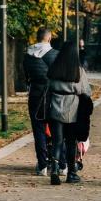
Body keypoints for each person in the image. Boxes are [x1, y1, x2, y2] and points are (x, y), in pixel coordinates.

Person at [46, 40, 91, 184]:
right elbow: (86, 91)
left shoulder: (53, 69)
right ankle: (71, 173)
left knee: (57, 141)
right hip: (72, 111)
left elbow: (48, 86)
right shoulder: (78, 71)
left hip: (55, 110)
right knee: (71, 142)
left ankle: (54, 168)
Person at [23, 28, 58, 176]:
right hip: (52, 95)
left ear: (37, 38)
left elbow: (26, 76)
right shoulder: (55, 55)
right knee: (57, 130)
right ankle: (59, 163)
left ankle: (42, 165)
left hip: (35, 95)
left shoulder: (27, 55)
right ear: (49, 38)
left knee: (38, 130)